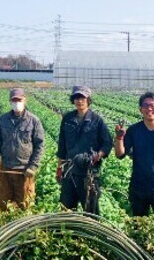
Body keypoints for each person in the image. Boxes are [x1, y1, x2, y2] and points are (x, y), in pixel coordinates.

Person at [57, 85, 112, 215]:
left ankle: (89, 228)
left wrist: (97, 156)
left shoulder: (97, 120)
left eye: (82, 98)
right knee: (67, 210)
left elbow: (107, 143)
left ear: (88, 100)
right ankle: (70, 228)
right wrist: (59, 167)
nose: (79, 101)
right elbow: (62, 145)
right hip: (69, 171)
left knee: (90, 210)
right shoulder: (68, 119)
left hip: (88, 172)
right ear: (73, 100)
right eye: (76, 98)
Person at [0, 88, 45, 210]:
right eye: (14, 100)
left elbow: (39, 146)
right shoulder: (3, 120)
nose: (16, 103)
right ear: (10, 102)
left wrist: (33, 167)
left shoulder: (34, 121)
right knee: (3, 202)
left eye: (19, 100)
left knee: (24, 203)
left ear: (25, 100)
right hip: (6, 168)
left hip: (24, 170)